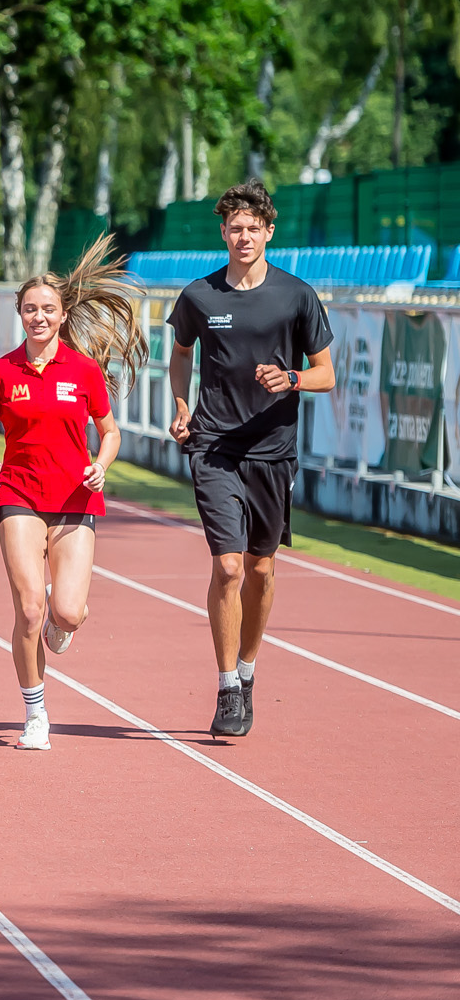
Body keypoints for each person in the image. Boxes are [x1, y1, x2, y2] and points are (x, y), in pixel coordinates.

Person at [167, 181, 335, 738]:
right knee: (229, 566)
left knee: (261, 568)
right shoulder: (199, 296)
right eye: (233, 227)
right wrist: (181, 405)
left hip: (272, 450)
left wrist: (290, 379)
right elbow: (181, 353)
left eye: (252, 228)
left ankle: (248, 668)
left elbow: (326, 374)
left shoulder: (296, 295)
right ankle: (226, 688)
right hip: (214, 446)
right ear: (224, 233)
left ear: (268, 231)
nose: (243, 236)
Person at [0, 236, 145, 750]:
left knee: (66, 612)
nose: (38, 317)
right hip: (18, 495)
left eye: (47, 309)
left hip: (74, 499)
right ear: (19, 314)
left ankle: (60, 618)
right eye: (29, 309)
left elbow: (109, 432)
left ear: (63, 315)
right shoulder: (1, 372)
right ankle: (35, 712)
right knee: (27, 610)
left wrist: (100, 465)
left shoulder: (84, 370)